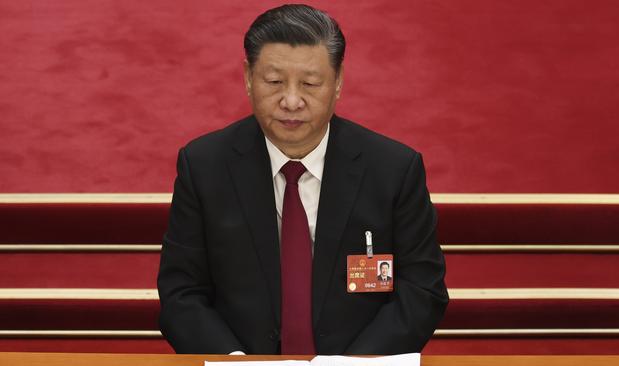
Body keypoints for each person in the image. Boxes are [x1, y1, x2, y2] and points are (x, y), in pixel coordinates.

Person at [157, 4, 448, 356]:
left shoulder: (393, 170)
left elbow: (421, 290)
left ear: (338, 82)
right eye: (275, 81)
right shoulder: (204, 166)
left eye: (310, 84)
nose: (291, 101)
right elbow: (181, 292)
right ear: (248, 77)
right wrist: (234, 363)